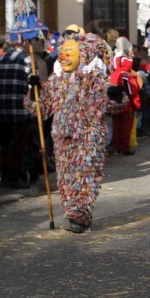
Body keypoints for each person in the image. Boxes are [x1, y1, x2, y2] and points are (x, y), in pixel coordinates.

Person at [25, 34, 123, 233]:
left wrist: (116, 96)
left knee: (85, 175)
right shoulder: (55, 80)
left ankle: (81, 215)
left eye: (69, 53)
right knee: (66, 177)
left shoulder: (94, 79)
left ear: (83, 55)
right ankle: (72, 211)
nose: (63, 58)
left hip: (88, 136)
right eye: (61, 54)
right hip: (62, 137)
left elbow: (113, 103)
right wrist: (33, 90)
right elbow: (42, 109)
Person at [0, 35, 34, 188]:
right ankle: (13, 179)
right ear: (23, 42)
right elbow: (32, 85)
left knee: (5, 144)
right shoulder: (26, 60)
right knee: (17, 146)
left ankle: (4, 178)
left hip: (1, 108)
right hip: (19, 109)